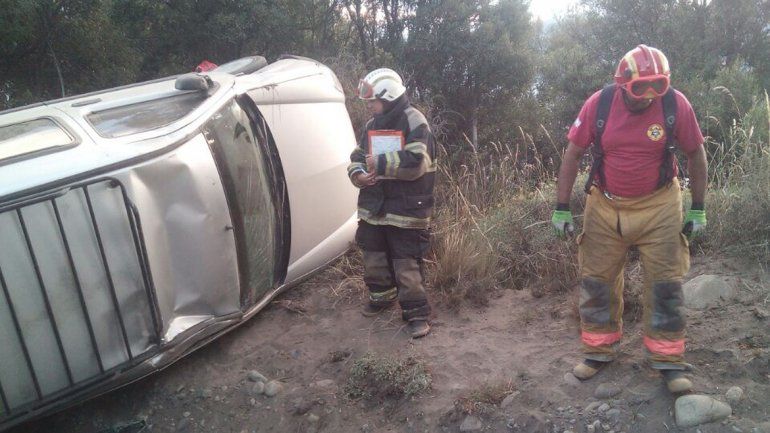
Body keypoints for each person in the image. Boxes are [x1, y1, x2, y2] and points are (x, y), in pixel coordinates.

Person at [551, 45, 708, 393]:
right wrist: (562, 205)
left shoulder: (675, 105)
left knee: (666, 283)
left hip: (660, 205)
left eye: (658, 87)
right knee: (597, 280)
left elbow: (696, 153)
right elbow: (573, 153)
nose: (649, 96)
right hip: (605, 206)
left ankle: (668, 359)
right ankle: (598, 350)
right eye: (641, 88)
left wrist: (698, 207)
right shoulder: (599, 104)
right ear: (623, 83)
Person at [347, 68, 436, 338]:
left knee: (405, 262)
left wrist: (381, 162)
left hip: (407, 209)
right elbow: (357, 156)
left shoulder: (414, 121)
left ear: (389, 96)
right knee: (373, 256)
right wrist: (358, 175)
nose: (370, 107)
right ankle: (381, 298)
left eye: (373, 101)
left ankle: (416, 314)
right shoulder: (371, 126)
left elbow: (416, 163)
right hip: (375, 207)